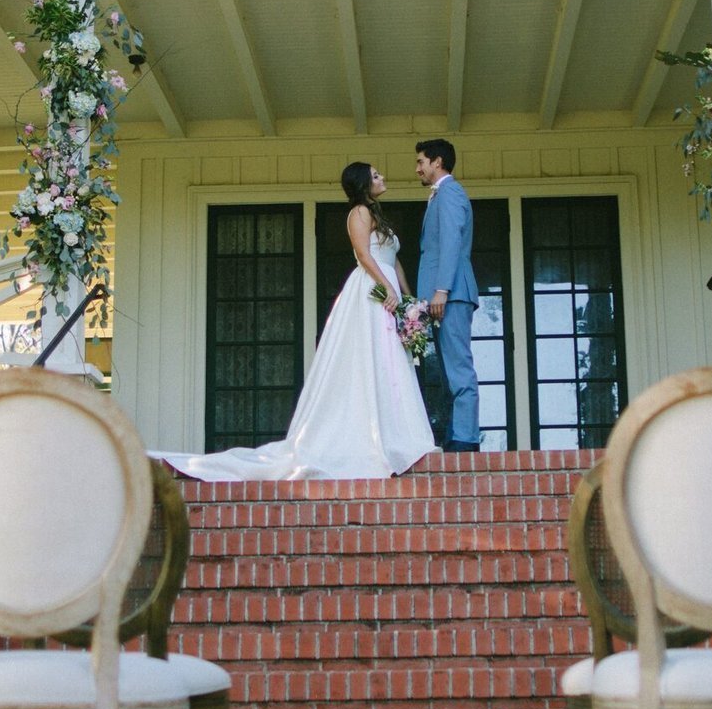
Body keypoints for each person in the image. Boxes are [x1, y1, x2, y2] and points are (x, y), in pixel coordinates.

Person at [156, 161, 436, 481]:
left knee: (390, 363)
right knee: (370, 359)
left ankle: (397, 434)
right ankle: (368, 437)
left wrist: (408, 299)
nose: (382, 177)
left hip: (390, 294)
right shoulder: (358, 213)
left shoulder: (379, 216)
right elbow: (363, 254)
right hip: (371, 292)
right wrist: (385, 288)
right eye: (375, 175)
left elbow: (394, 260)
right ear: (362, 184)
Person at [413, 138, 480, 452]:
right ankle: (457, 436)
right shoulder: (438, 195)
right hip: (442, 296)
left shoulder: (450, 192)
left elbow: (452, 241)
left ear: (437, 162)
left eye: (421, 162)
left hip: (451, 294)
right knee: (449, 367)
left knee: (458, 365)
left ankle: (465, 440)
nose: (418, 169)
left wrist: (441, 290)